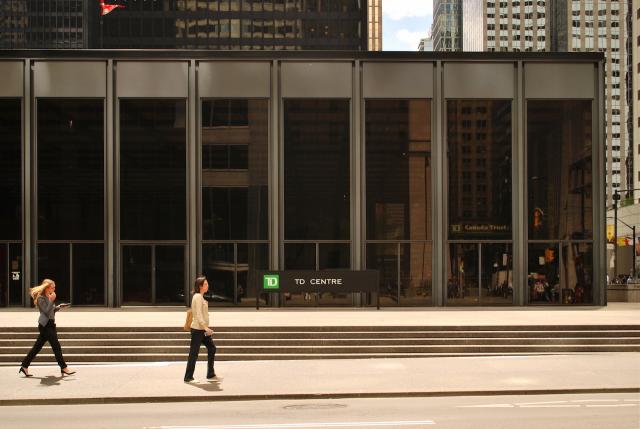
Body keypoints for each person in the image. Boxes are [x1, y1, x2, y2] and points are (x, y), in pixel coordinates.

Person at [19, 279, 75, 377]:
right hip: (45, 325)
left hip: (50, 324)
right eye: (53, 287)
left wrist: (58, 307)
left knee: (37, 348)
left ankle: (24, 366)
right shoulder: (41, 298)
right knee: (56, 346)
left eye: (54, 287)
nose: (54, 289)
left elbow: (51, 311)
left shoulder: (48, 297)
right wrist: (51, 300)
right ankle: (64, 367)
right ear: (47, 287)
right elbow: (45, 311)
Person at [184, 276, 216, 383]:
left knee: (212, 348)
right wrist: (205, 327)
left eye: (207, 283)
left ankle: (210, 373)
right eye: (205, 284)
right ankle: (188, 377)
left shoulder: (201, 297)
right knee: (194, 353)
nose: (208, 285)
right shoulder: (197, 297)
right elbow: (198, 314)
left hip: (202, 330)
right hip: (198, 330)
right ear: (200, 286)